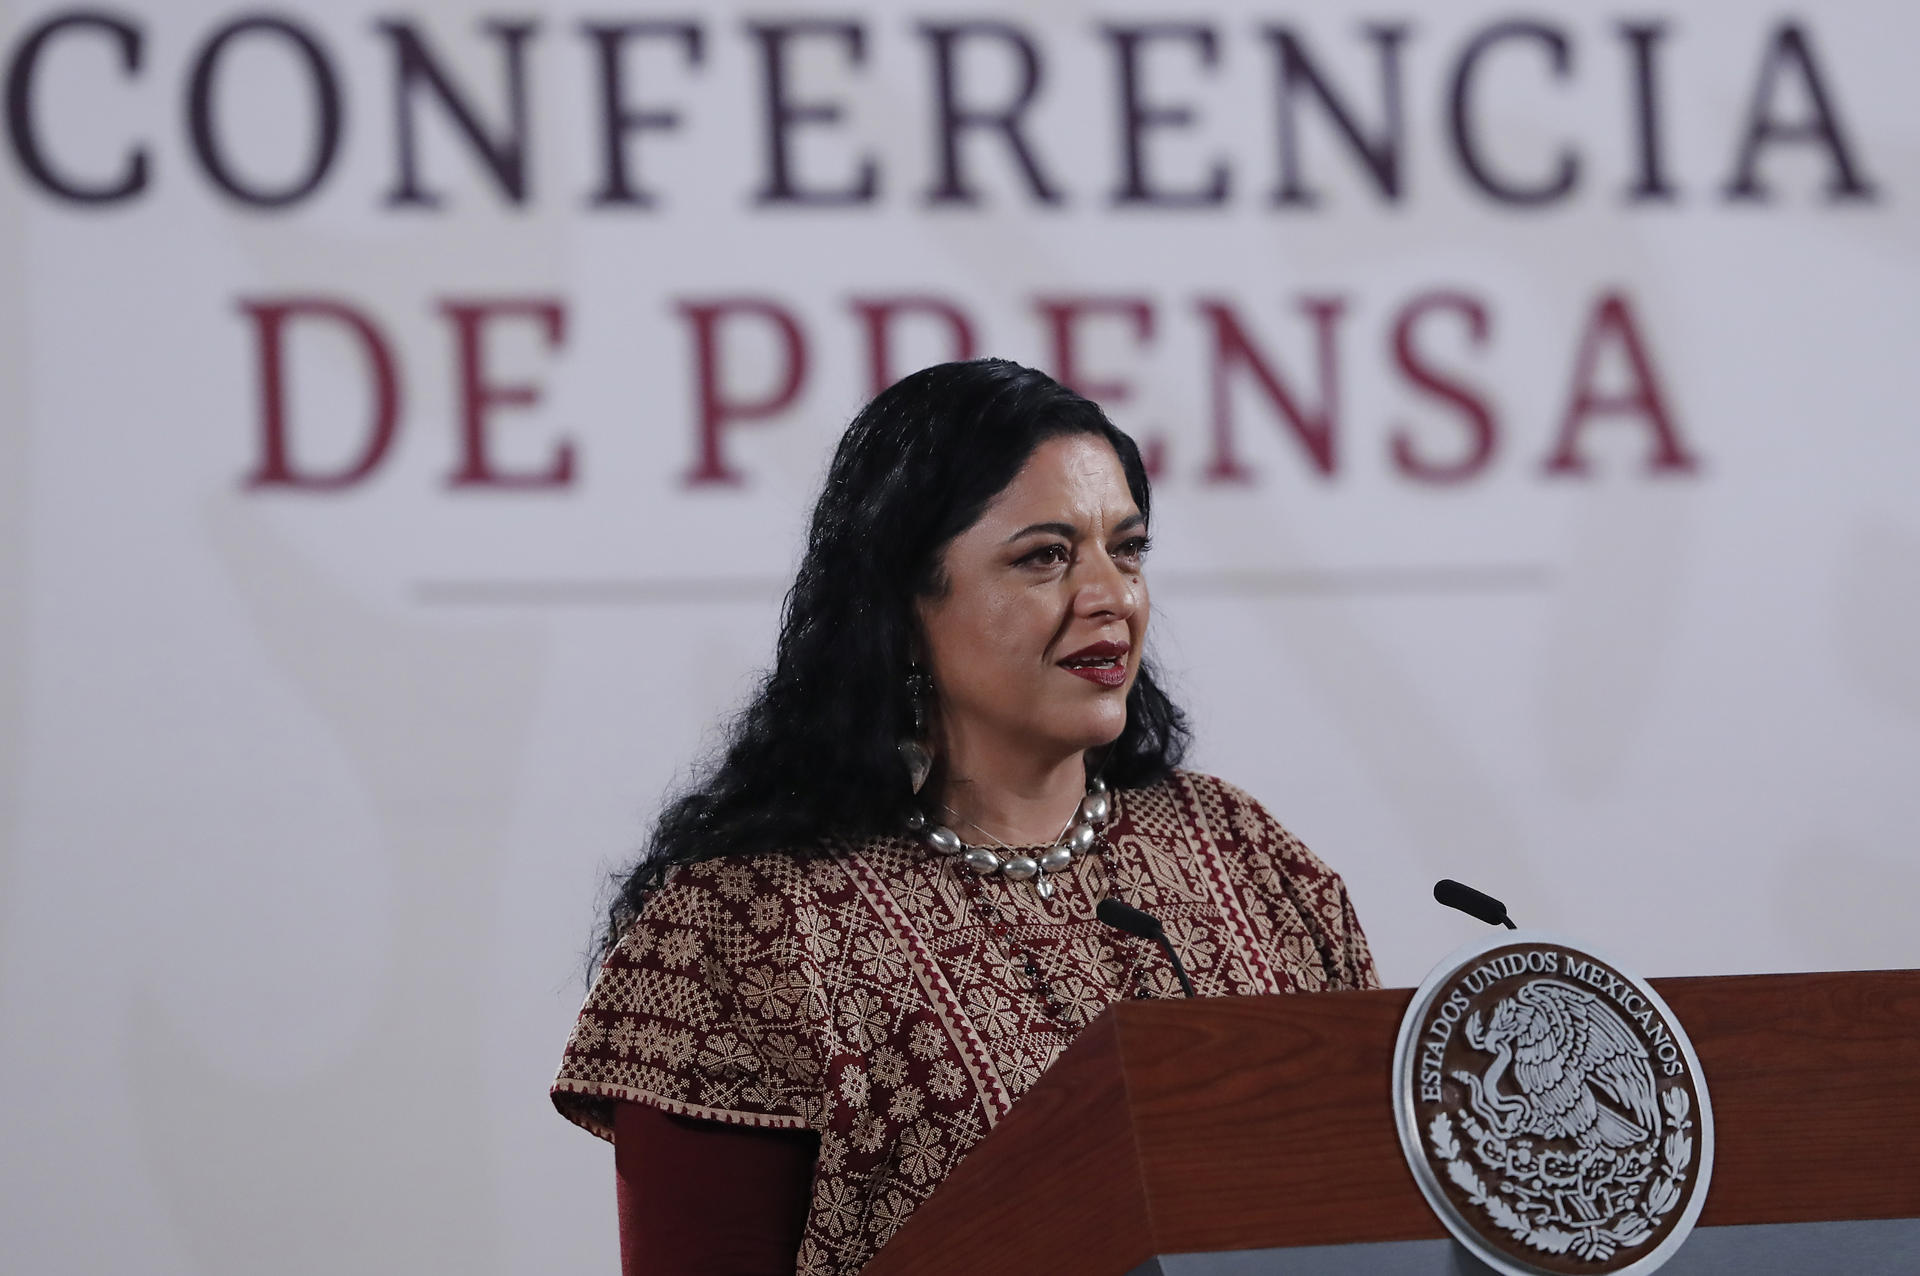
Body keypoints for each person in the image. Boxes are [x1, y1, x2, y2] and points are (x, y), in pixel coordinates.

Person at [552, 359, 1379, 1276]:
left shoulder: (1246, 857)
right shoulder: (750, 930)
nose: (1111, 596)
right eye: (1045, 557)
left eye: (1128, 548)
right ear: (904, 608)